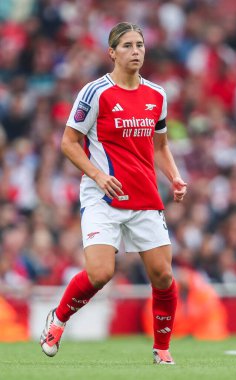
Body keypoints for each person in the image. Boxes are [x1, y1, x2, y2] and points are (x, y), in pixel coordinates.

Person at [40, 22, 187, 365]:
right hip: (102, 196)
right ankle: (58, 320)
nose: (136, 51)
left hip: (144, 196)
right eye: (128, 46)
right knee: (101, 273)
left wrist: (175, 177)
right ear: (112, 52)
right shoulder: (95, 93)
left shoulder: (157, 95)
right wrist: (98, 175)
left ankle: (162, 349)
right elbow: (68, 142)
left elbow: (160, 146)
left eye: (140, 44)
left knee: (163, 275)